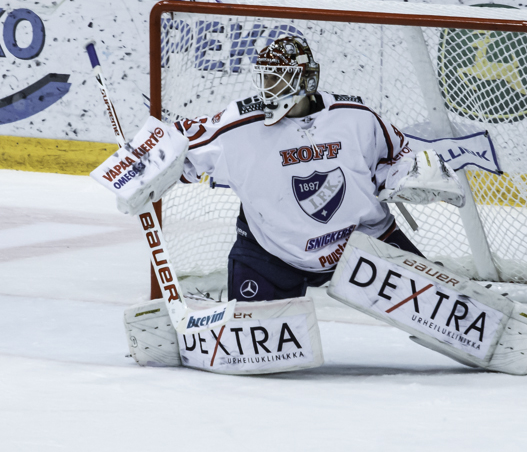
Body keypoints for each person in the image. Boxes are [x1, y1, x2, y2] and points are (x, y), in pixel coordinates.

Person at [173, 36, 428, 303]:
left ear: (306, 79)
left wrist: (408, 178)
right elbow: (180, 144)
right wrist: (142, 165)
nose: (268, 87)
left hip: (365, 241)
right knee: (253, 341)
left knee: (443, 310)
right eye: (265, 78)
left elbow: (397, 155)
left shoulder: (356, 116)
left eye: (277, 77)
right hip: (273, 254)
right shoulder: (238, 125)